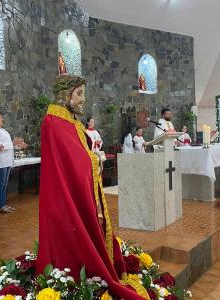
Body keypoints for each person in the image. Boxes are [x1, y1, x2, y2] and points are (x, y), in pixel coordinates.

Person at [36, 75, 147, 299]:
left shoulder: (71, 121)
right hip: (63, 196)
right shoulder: (53, 122)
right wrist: (93, 160)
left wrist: (92, 158)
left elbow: (79, 154)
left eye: (82, 94)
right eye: (79, 94)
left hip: (79, 187)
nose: (82, 100)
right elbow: (70, 161)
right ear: (64, 95)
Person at [0, 113, 27, 213]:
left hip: (7, 160)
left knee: (4, 184)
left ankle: (4, 203)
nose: (2, 119)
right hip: (0, 161)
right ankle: (1, 205)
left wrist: (18, 146)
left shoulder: (2, 130)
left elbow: (8, 146)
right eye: (0, 117)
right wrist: (13, 143)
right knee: (0, 184)